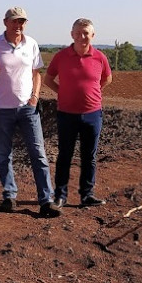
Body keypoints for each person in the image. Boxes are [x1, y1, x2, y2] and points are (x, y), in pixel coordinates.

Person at [0, 7, 60, 218]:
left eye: (22, 21)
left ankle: (46, 200)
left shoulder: (31, 44)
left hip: (27, 108)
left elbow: (36, 73)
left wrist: (35, 97)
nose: (18, 25)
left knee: (38, 153)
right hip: (1, 108)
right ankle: (9, 196)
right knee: (4, 155)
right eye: (14, 21)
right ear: (5, 22)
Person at [44, 18, 112, 209]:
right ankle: (60, 196)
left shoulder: (100, 57)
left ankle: (87, 195)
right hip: (66, 114)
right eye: (78, 33)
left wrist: (93, 92)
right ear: (72, 34)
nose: (82, 36)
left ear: (92, 35)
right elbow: (48, 79)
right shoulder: (61, 56)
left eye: (86, 33)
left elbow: (107, 78)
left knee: (89, 156)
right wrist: (63, 92)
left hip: (92, 114)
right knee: (65, 155)